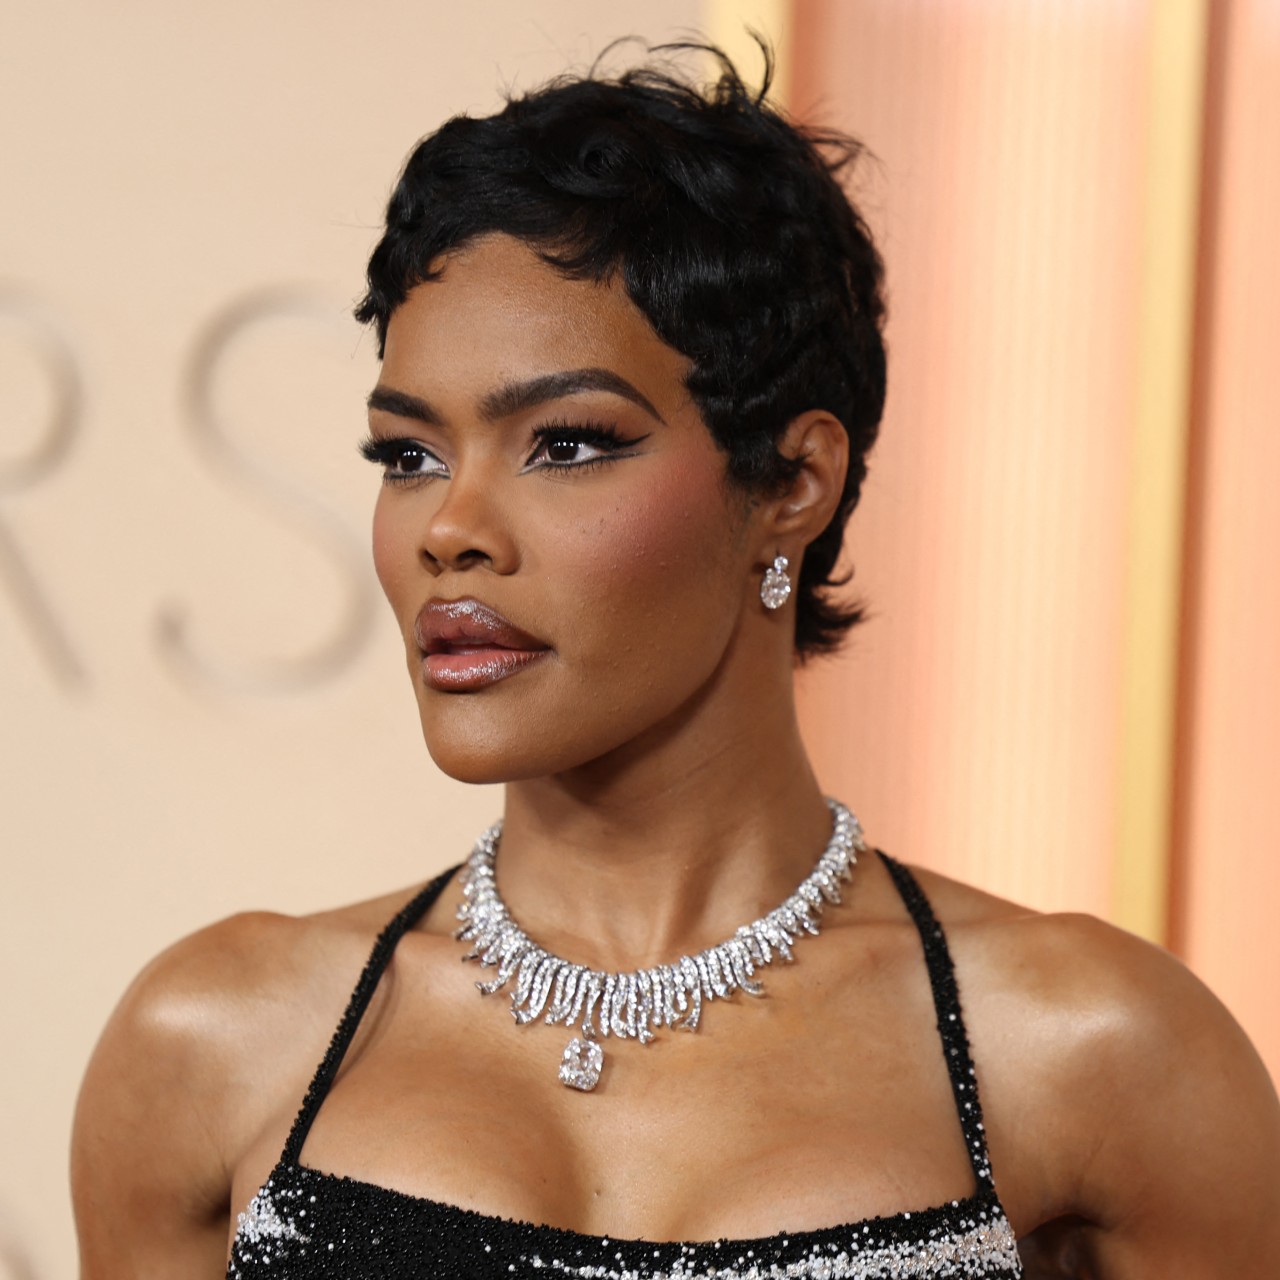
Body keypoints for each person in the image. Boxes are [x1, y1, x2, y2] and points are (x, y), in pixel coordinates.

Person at [71, 41, 1280, 1280]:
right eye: (408, 454)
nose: (449, 529)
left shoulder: (1090, 1049)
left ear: (792, 484)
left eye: (567, 443)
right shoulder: (217, 1042)